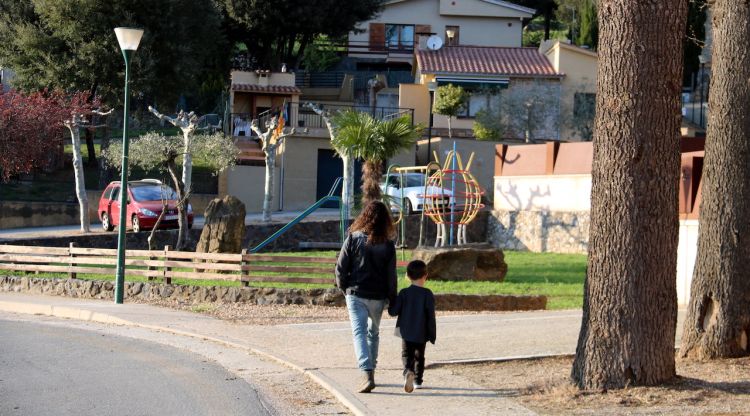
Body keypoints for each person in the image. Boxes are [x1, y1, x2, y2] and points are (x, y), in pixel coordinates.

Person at [335, 201, 397, 393]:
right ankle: (371, 370)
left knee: (359, 333)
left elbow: (340, 267)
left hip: (355, 293)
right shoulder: (388, 245)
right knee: (373, 333)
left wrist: (344, 288)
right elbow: (391, 276)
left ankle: (366, 372)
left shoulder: (353, 238)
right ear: (385, 220)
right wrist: (392, 298)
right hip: (377, 297)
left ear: (365, 216)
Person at [388, 260, 436, 393]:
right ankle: (418, 381)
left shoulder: (404, 293)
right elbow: (431, 317)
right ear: (425, 275)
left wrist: (392, 300)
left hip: (406, 331)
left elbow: (393, 312)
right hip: (421, 332)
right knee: (419, 356)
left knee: (406, 354)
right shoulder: (428, 294)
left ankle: (408, 372)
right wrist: (432, 334)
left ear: (408, 276)